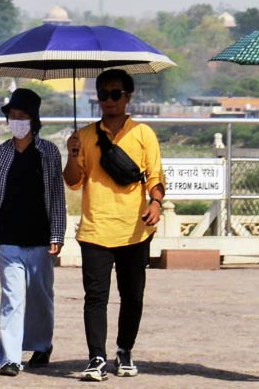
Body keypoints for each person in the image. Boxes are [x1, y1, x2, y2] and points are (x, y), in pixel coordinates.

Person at [63, 69, 165, 382]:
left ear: (128, 96)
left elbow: (155, 177)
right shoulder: (85, 137)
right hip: (95, 229)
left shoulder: (143, 134)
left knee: (132, 296)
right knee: (95, 297)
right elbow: (72, 182)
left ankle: (124, 350)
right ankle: (96, 357)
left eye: (116, 94)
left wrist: (156, 203)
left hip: (134, 230)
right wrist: (71, 154)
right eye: (104, 94)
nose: (109, 100)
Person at [0, 88, 66, 377]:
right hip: (8, 235)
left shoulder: (49, 152)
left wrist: (57, 234)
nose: (17, 122)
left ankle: (40, 345)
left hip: (40, 235)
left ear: (34, 120)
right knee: (12, 297)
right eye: (12, 116)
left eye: (23, 116)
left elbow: (56, 195)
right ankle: (10, 357)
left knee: (40, 295)